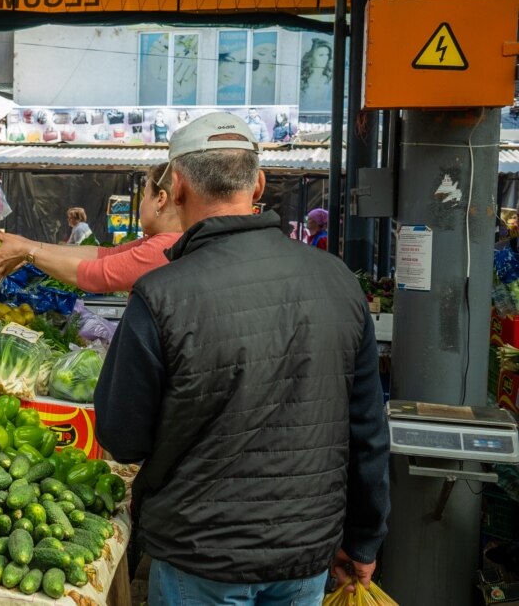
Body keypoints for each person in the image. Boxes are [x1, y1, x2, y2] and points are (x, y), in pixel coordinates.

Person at [94, 112, 389, 603]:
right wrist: (363, 536)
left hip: (200, 554)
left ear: (180, 187)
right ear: (260, 185)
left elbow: (122, 438)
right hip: (305, 551)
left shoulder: (161, 293)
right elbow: (367, 428)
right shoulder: (337, 280)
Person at [0, 163, 182, 293]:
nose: (141, 203)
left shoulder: (166, 247)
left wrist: (27, 252)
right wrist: (26, 244)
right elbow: (103, 255)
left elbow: (96, 274)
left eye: (145, 195)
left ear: (160, 199)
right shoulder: (162, 241)